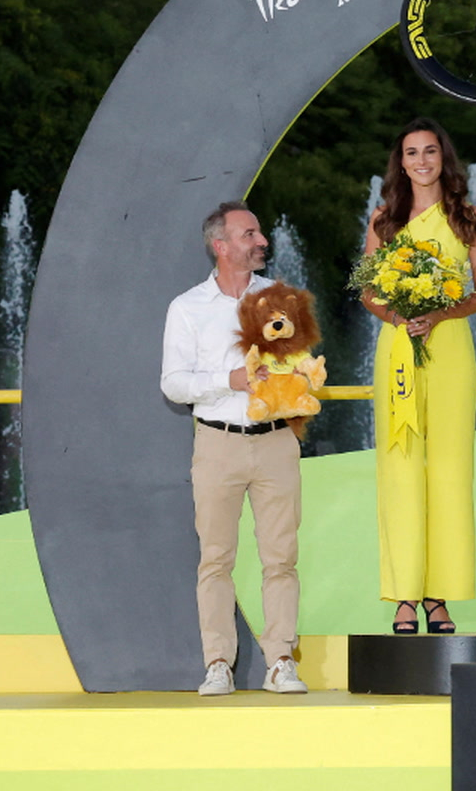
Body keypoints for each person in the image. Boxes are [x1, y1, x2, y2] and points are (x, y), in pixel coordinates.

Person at [160, 201, 307, 697]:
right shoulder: (187, 308)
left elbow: (302, 363)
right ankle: (217, 663)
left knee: (281, 558)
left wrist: (299, 380)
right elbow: (173, 384)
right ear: (220, 246)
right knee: (215, 559)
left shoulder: (281, 299)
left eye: (259, 233)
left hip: (277, 443)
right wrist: (232, 380)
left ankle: (281, 660)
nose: (260, 240)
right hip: (217, 444)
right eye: (249, 234)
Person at [360, 118, 476, 636]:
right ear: (400, 162)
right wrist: (397, 315)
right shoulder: (384, 221)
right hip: (397, 351)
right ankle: (404, 596)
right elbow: (370, 291)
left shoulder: (469, 218)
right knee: (400, 470)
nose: (421, 161)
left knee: (449, 473)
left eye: (430, 151)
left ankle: (439, 597)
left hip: (450, 353)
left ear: (444, 158)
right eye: (411, 153)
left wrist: (438, 313)